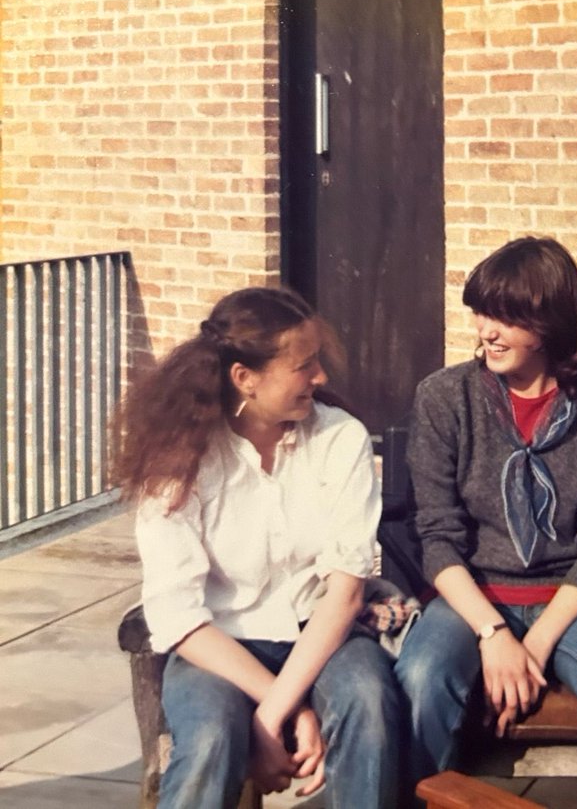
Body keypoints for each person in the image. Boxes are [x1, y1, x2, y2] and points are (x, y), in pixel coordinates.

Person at [393, 236, 577, 809]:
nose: (487, 331)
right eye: (483, 313)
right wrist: (493, 635)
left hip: (573, 597)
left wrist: (534, 644)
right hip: (471, 595)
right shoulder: (445, 397)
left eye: (507, 319)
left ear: (551, 323)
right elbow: (436, 538)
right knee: (420, 678)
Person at [112, 286, 403, 809]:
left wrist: (270, 717)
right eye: (304, 365)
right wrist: (289, 707)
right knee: (209, 740)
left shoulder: (341, 439)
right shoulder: (178, 459)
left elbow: (343, 597)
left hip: (322, 634)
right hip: (220, 645)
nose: (321, 378)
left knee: (371, 705)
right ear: (245, 378)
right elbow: (179, 616)